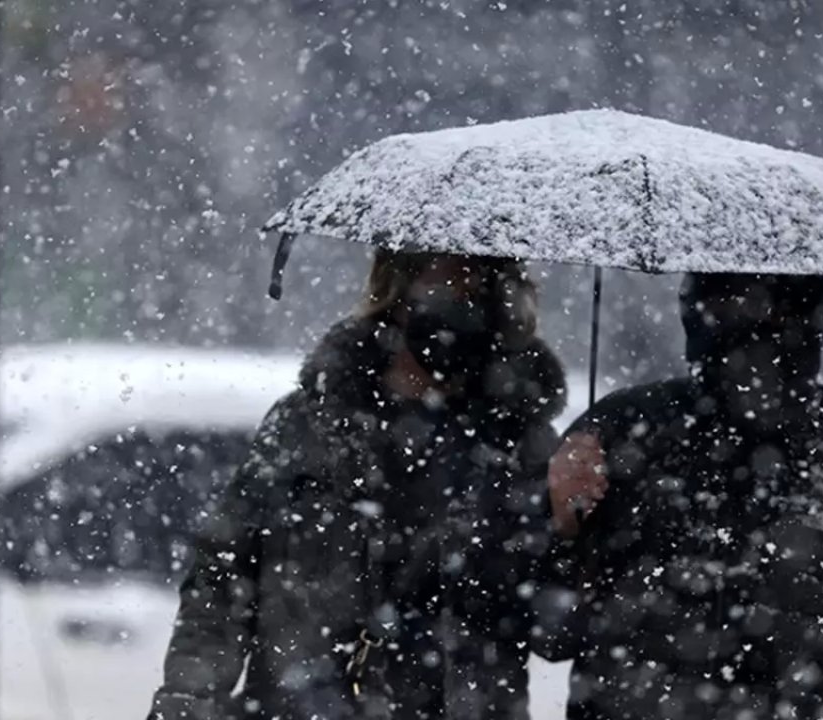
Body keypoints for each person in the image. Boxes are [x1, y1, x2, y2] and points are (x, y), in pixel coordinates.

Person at [148, 250, 566, 720]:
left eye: (483, 292)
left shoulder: (522, 449)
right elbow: (222, 582)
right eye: (450, 286)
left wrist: (571, 527)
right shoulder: (308, 426)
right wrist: (186, 703)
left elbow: (557, 631)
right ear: (396, 291)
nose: (466, 309)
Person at [537, 273, 823, 720]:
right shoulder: (622, 436)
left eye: (780, 311)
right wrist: (559, 521)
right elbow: (548, 632)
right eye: (729, 306)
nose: (755, 330)